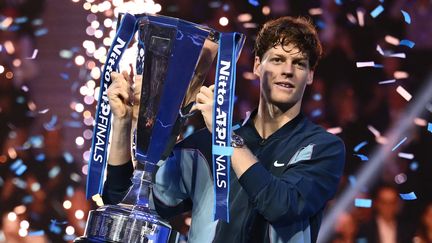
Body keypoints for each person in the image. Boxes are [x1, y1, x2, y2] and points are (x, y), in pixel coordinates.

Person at [103, 16, 345, 243]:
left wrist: (225, 135)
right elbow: (124, 202)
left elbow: (280, 206)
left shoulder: (322, 147)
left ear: (310, 75)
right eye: (278, 59)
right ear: (258, 65)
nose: (288, 70)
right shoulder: (204, 146)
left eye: (299, 63)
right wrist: (122, 123)